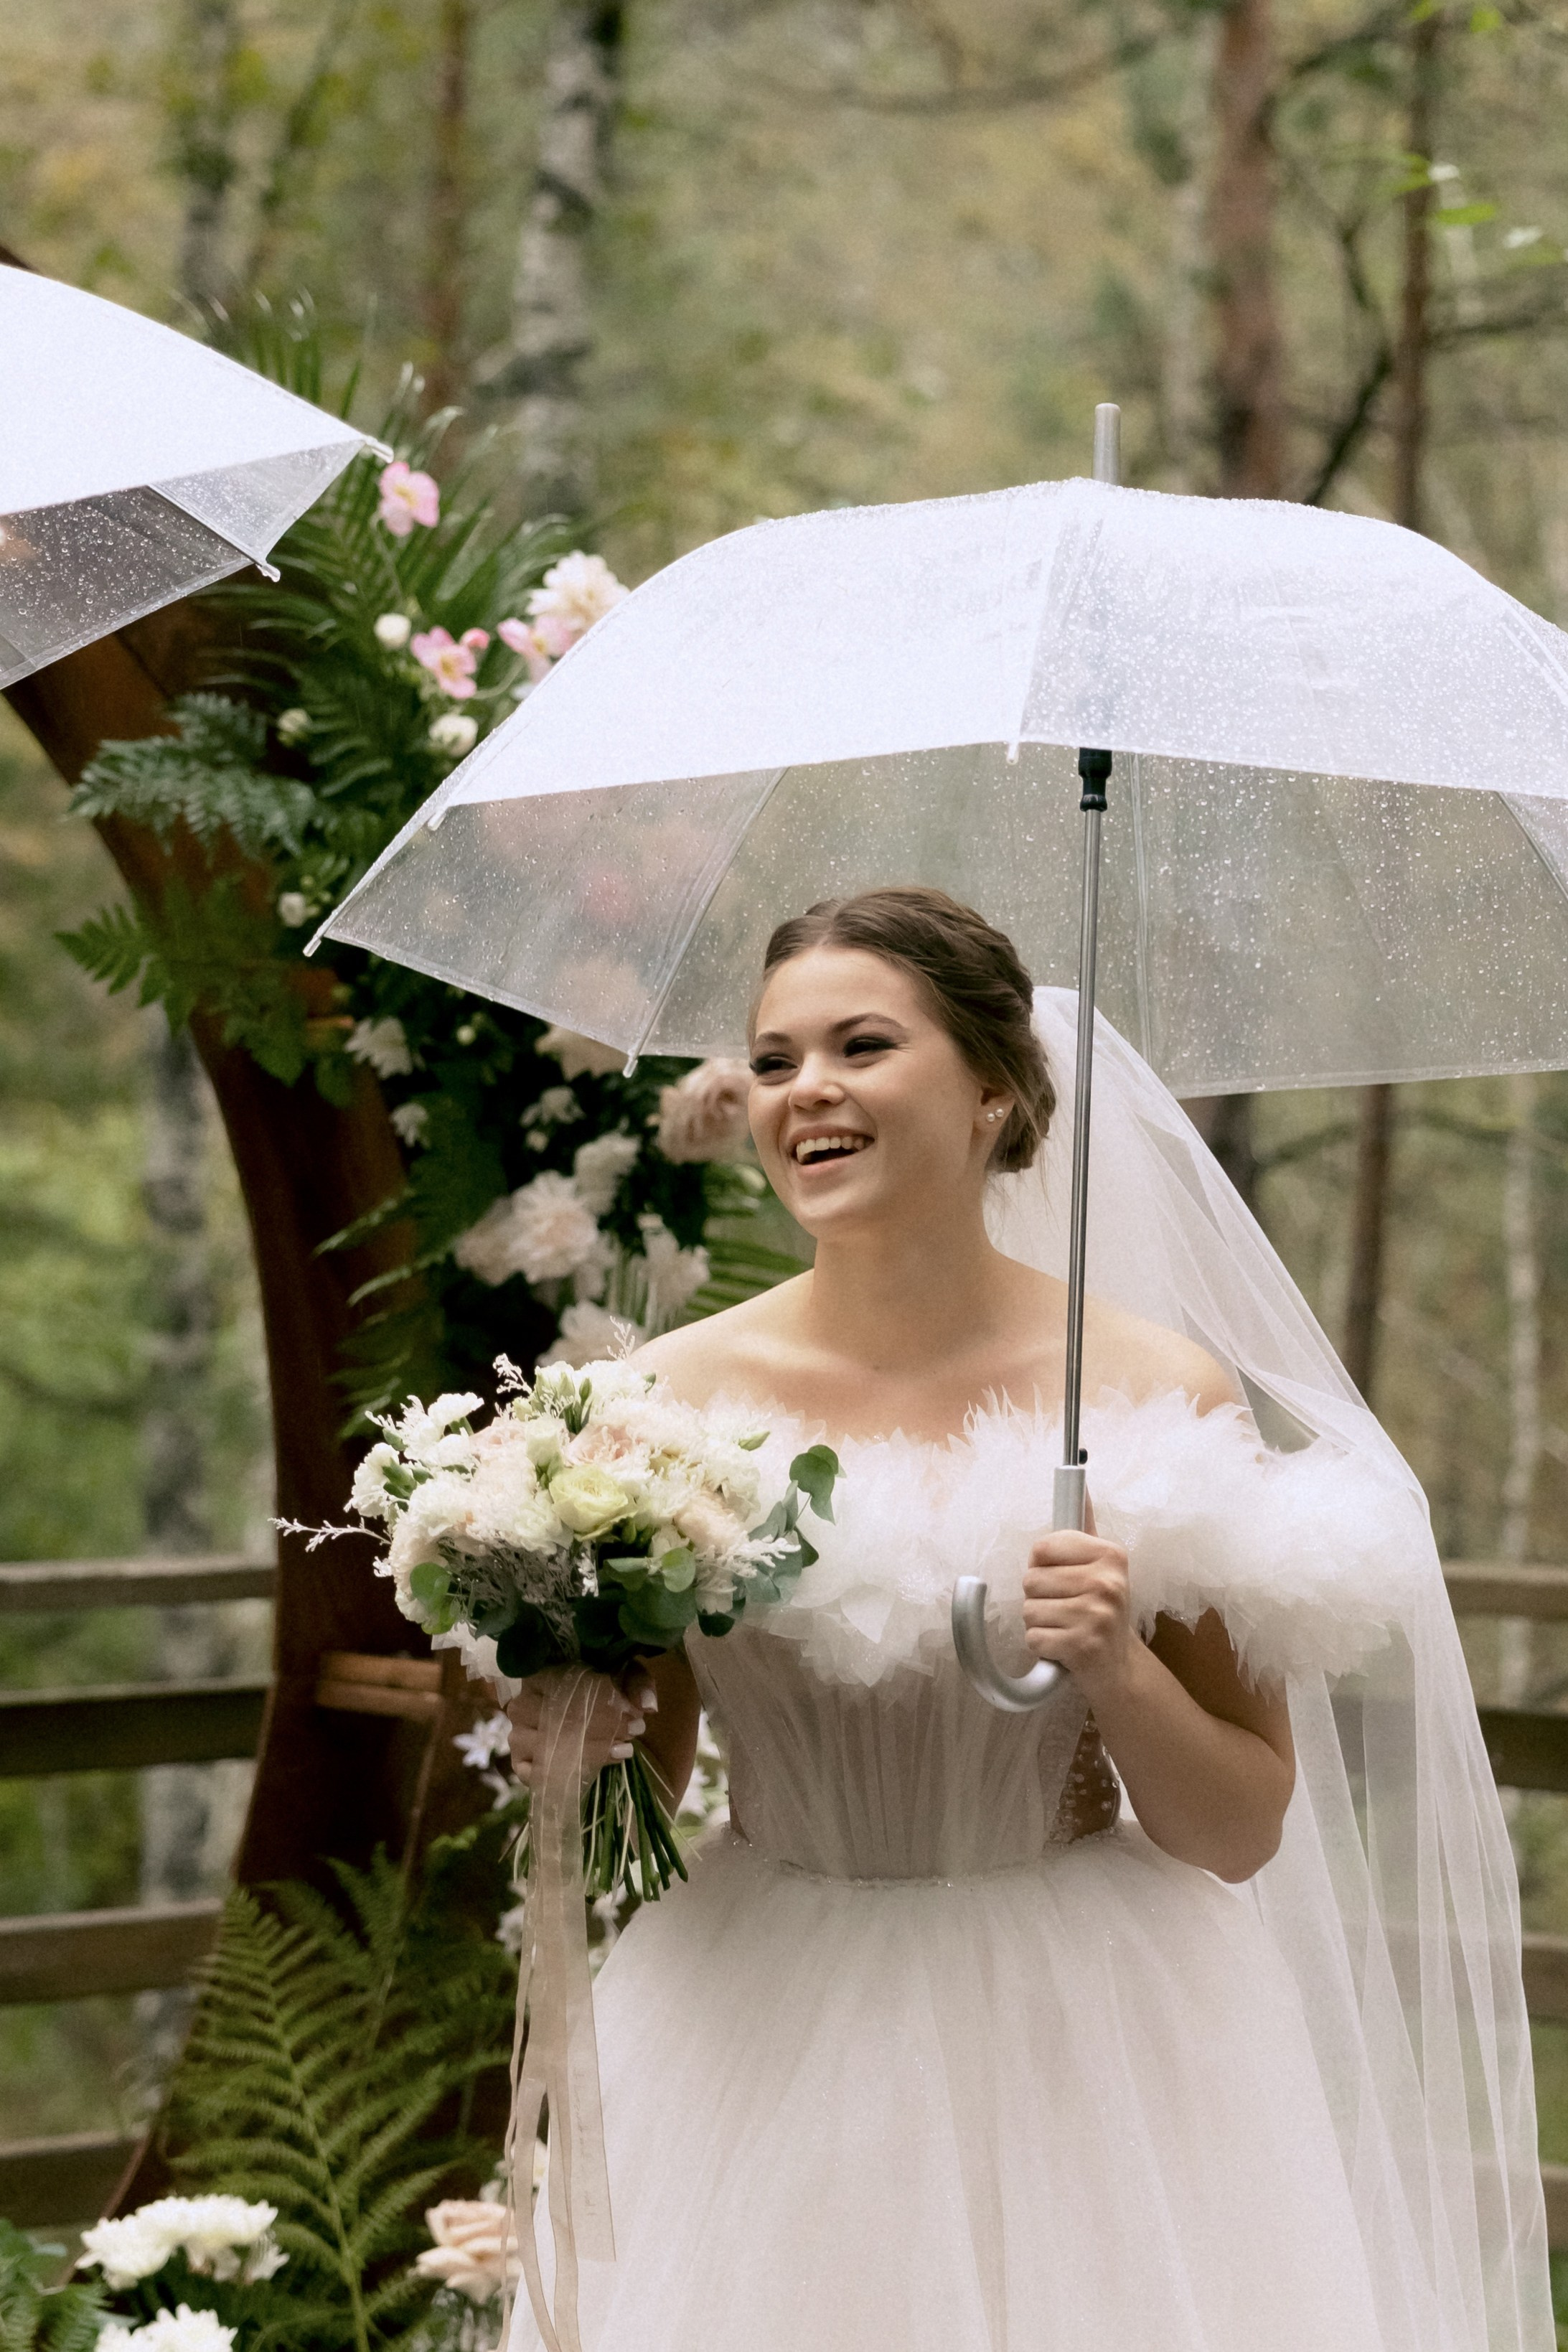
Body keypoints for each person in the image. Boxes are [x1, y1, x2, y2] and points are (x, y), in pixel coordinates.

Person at [504, 886, 1549, 2352]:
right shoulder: (659, 1402)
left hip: (1089, 2043)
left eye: (863, 1045)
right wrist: (576, 1737)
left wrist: (1118, 1666)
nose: (806, 1090)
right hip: (758, 2022)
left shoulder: (1150, 1388)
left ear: (993, 1088)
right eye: (776, 1058)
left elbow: (1238, 1828)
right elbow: (645, 1802)